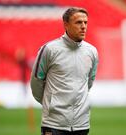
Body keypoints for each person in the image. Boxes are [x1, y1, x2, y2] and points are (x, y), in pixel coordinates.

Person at [30, 7, 98, 135]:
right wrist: (50, 104)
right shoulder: (49, 50)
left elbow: (89, 82)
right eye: (78, 22)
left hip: (81, 124)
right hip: (53, 124)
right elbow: (36, 82)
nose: (83, 26)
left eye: (85, 22)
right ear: (66, 24)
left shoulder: (92, 52)